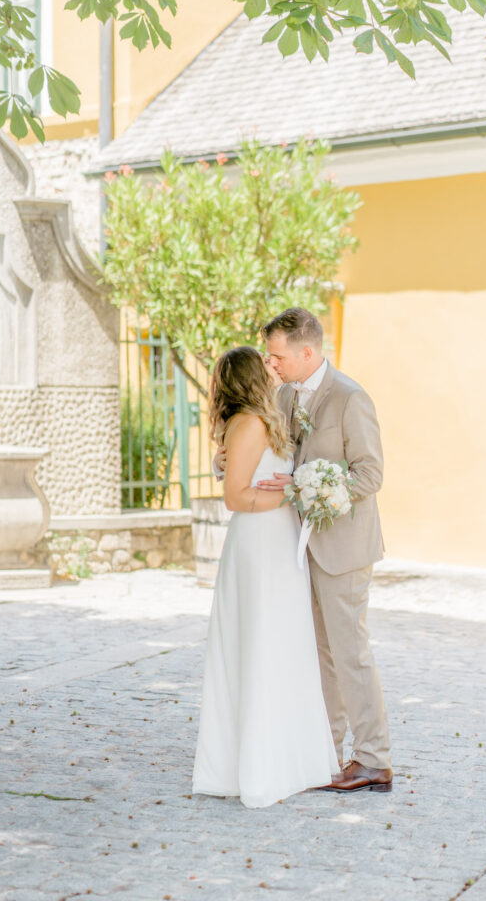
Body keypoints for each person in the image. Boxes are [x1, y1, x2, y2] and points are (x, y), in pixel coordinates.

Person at [218, 309, 392, 793]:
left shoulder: (351, 398)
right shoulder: (282, 396)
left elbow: (370, 474)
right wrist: (226, 460)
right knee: (320, 656)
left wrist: (305, 485)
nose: (271, 363)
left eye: (277, 356)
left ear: (307, 352)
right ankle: (326, 753)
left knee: (351, 653)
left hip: (343, 547)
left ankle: (374, 759)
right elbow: (264, 452)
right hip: (292, 548)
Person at [192, 346, 339, 809]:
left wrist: (298, 489)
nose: (274, 367)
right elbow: (236, 497)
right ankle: (261, 767)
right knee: (262, 646)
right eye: (266, 364)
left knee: (282, 647)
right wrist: (295, 495)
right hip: (259, 547)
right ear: (253, 377)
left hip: (277, 545)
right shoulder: (252, 423)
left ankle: (285, 760)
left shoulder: (261, 419)